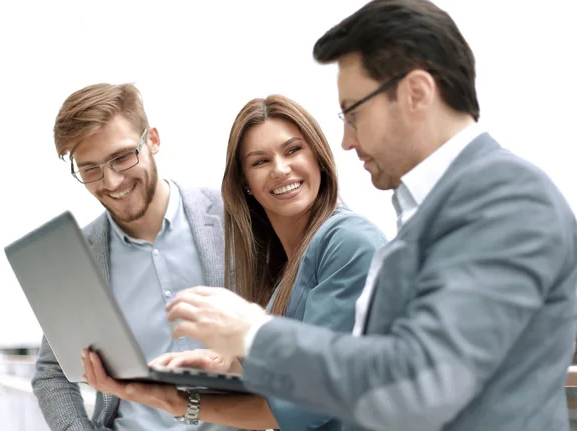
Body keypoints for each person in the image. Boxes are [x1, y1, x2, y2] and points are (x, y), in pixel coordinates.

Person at [143, 1, 577, 430]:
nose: (346, 141)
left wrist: (255, 335)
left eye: (353, 113)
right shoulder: (435, 209)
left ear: (417, 93)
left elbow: (418, 381)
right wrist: (231, 365)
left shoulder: (505, 198)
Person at [82, 94, 387, 431]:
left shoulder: (350, 242)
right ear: (247, 184)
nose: (281, 169)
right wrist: (229, 366)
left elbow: (308, 402)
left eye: (293, 150)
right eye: (260, 161)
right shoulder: (287, 260)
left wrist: (178, 402)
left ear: (318, 156)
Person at [33, 83, 236, 431]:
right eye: (90, 168)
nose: (111, 181)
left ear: (153, 140)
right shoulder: (80, 257)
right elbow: (51, 373)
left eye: (122, 156)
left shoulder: (231, 216)